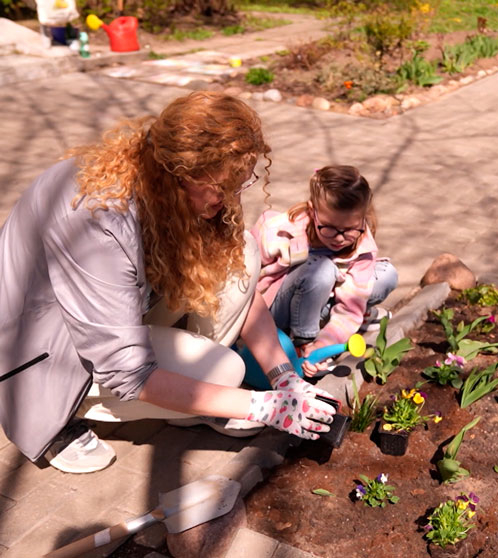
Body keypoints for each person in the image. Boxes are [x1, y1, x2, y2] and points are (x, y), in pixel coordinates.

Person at [0, 91, 335, 474]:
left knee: (240, 250)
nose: (230, 198)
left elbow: (238, 279)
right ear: (183, 173)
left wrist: (284, 378)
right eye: (223, 188)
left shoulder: (170, 190)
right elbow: (127, 373)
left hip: (108, 312)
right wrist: (261, 407)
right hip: (40, 350)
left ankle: (189, 397)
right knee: (224, 371)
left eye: (239, 184)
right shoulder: (98, 222)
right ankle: (65, 415)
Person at [252, 165, 398, 377]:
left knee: (386, 274)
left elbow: (349, 308)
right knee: (321, 269)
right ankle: (303, 341)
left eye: (350, 229)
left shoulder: (363, 245)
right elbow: (244, 270)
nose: (339, 238)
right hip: (275, 307)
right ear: (313, 211)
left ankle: (325, 334)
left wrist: (324, 344)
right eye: (329, 227)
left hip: (319, 300)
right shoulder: (278, 230)